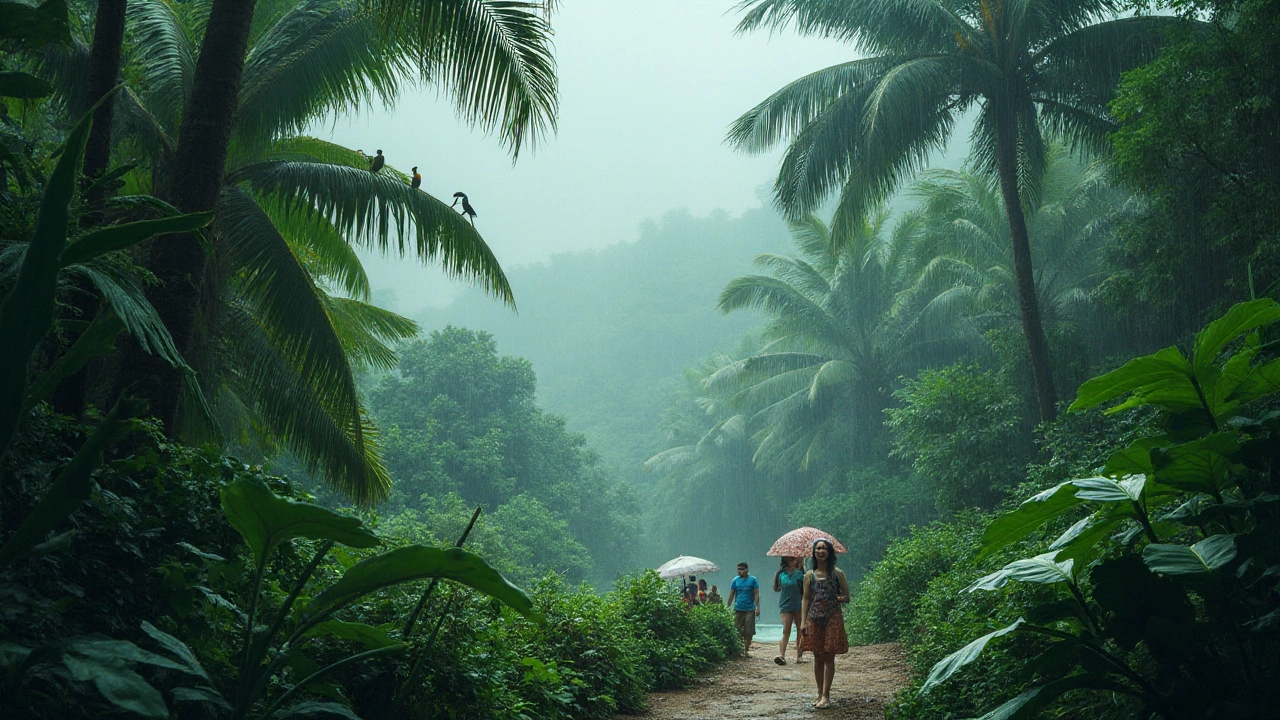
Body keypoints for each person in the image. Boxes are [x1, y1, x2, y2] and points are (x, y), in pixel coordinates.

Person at [799, 539, 850, 709]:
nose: (820, 551)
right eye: (817, 549)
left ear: (829, 552)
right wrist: (803, 621)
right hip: (814, 617)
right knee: (817, 655)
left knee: (829, 655)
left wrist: (837, 597)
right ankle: (819, 693)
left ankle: (826, 695)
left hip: (832, 617)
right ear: (814, 553)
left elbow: (847, 597)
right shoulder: (809, 575)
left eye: (824, 548)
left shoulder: (838, 574)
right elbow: (806, 598)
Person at [773, 556, 806, 665]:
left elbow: (805, 589)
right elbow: (776, 588)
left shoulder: (801, 573)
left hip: (799, 604)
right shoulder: (781, 573)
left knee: (800, 630)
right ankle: (782, 655)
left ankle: (799, 656)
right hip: (785, 604)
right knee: (786, 629)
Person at [726, 562, 760, 657]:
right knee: (737, 629)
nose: (739, 571)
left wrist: (758, 607)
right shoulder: (735, 580)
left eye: (741, 569)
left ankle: (746, 649)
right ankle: (738, 649)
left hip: (750, 609)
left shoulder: (753, 580)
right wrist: (728, 607)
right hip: (738, 609)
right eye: (738, 569)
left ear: (747, 570)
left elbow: (756, 594)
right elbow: (731, 594)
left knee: (749, 630)